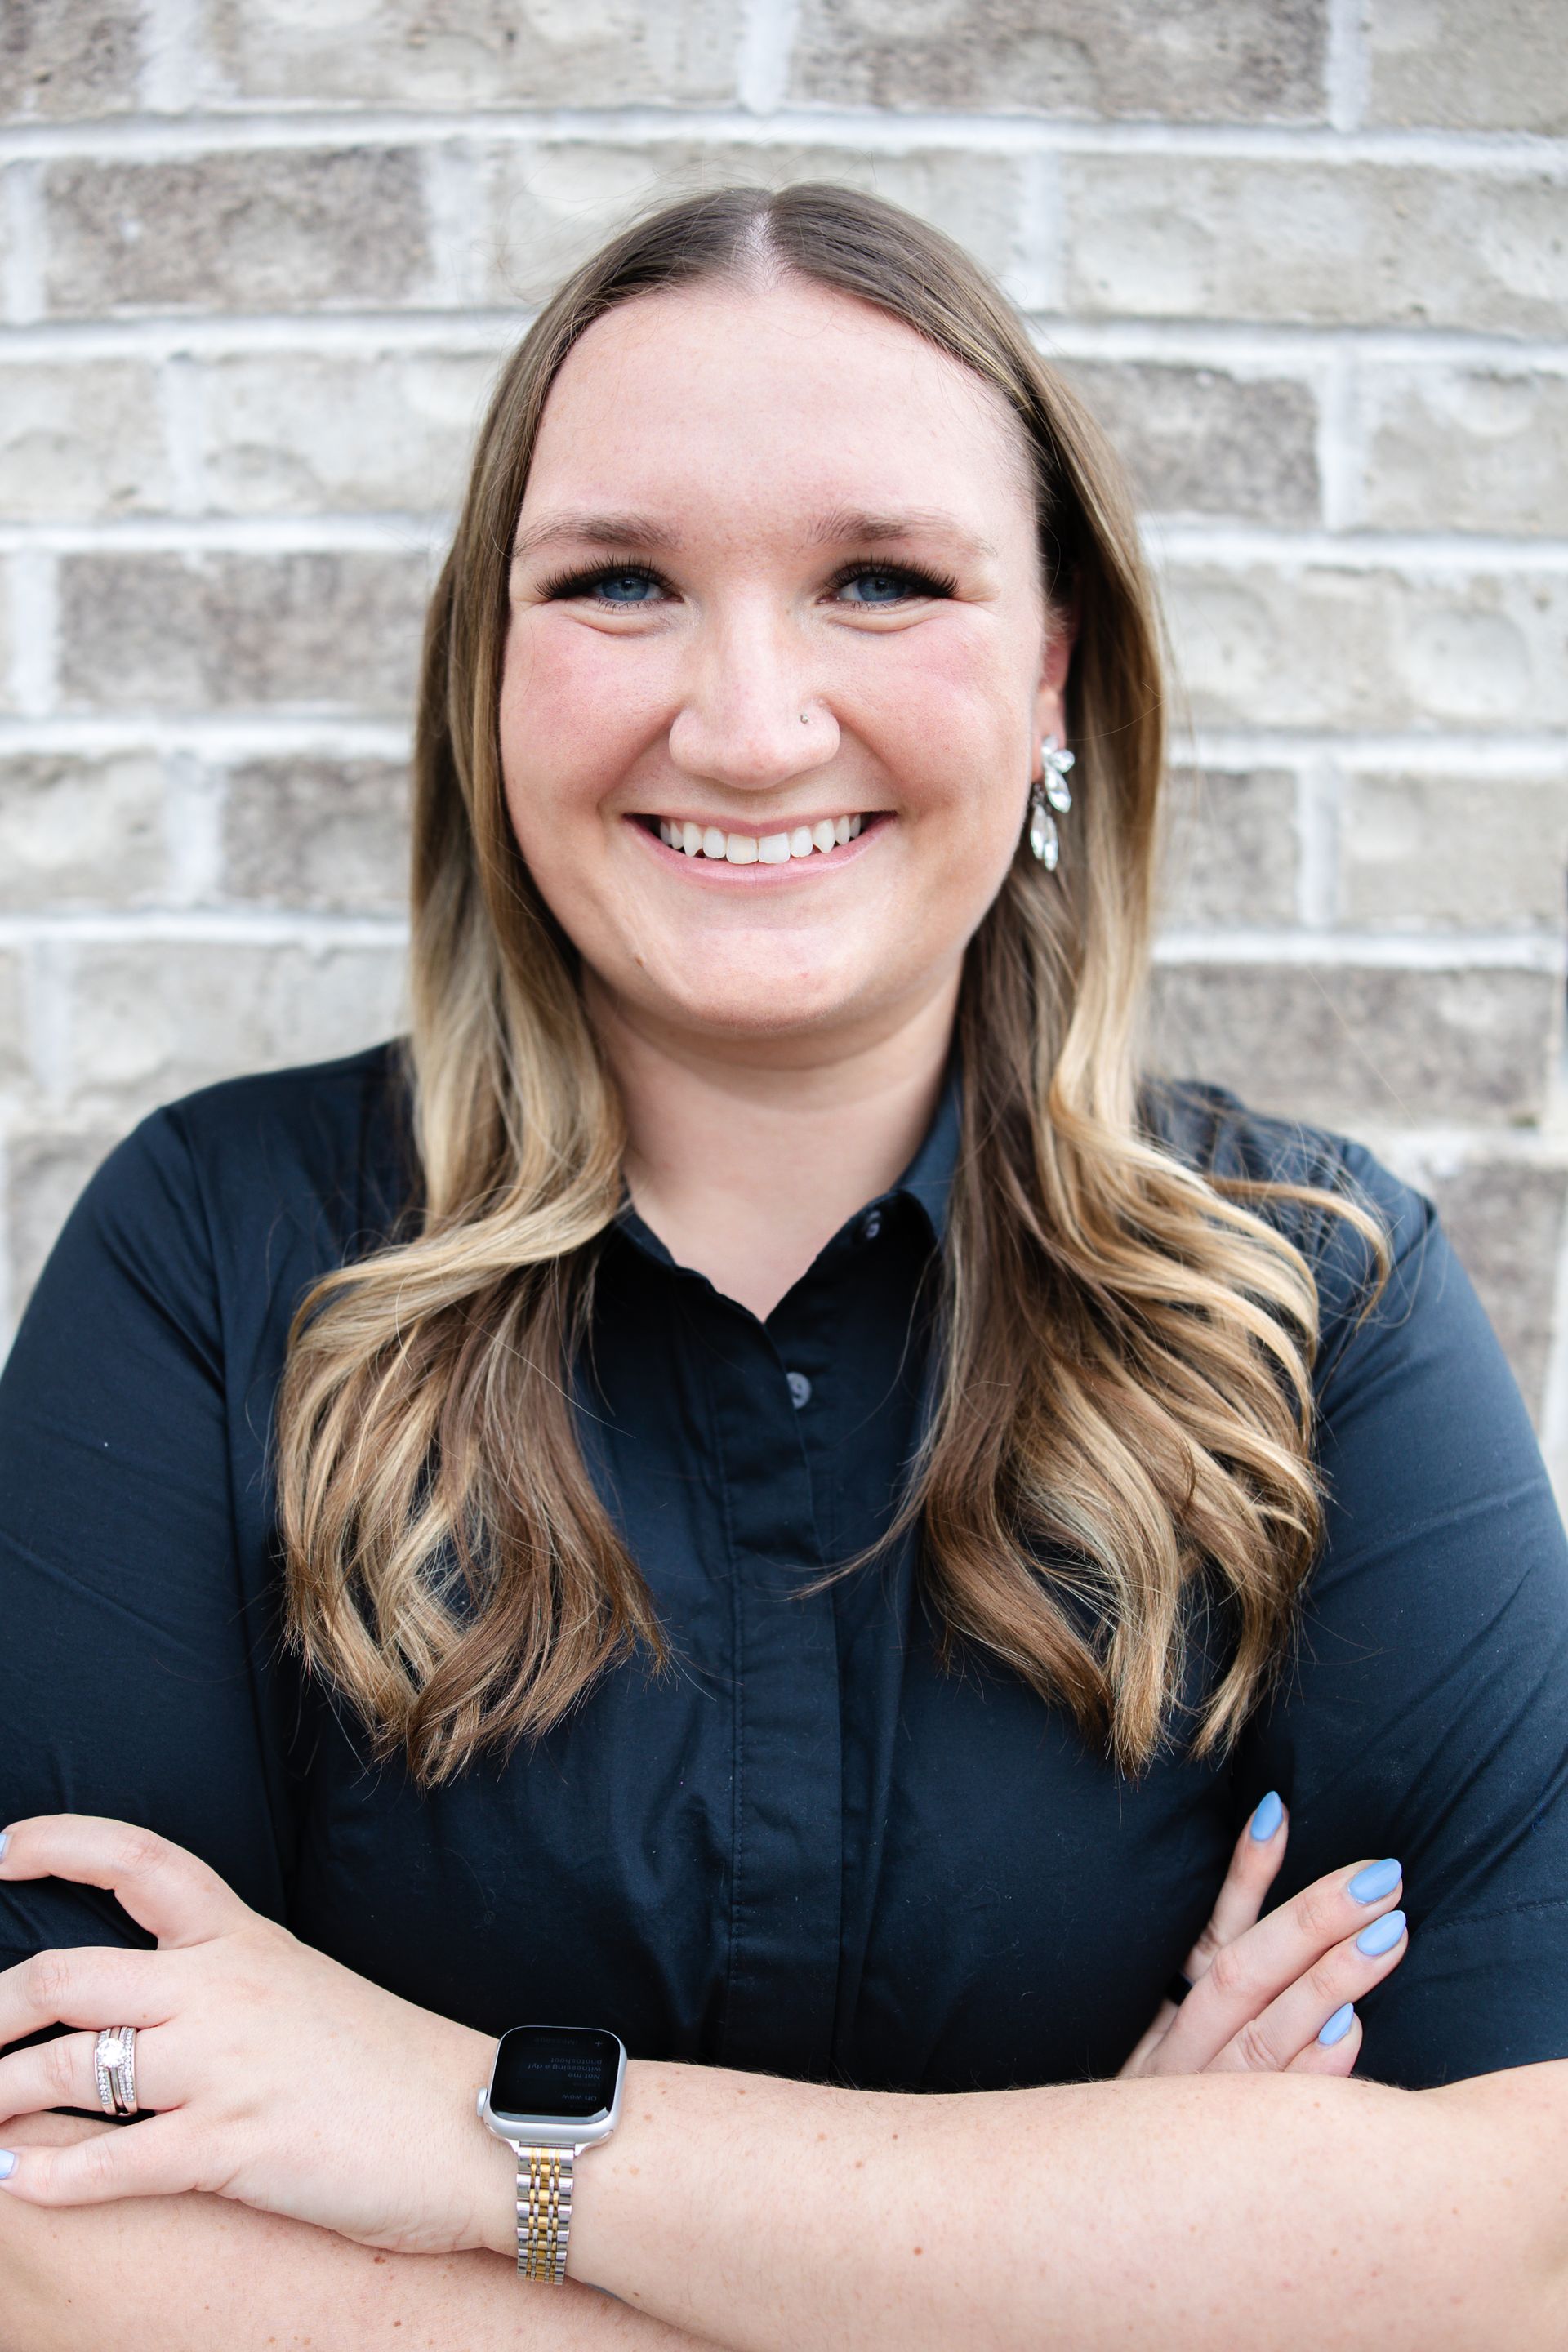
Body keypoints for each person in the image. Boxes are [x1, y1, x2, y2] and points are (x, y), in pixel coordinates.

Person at [0, 183, 1566, 2350]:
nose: (748, 723)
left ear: (1052, 674)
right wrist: (1108, 2259)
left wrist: (464, 2131)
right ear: (494, 671)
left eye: (881, 581)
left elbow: (1509, 2244)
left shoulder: (1328, 1307)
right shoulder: (203, 1262)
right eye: (620, 580)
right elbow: (63, 2241)